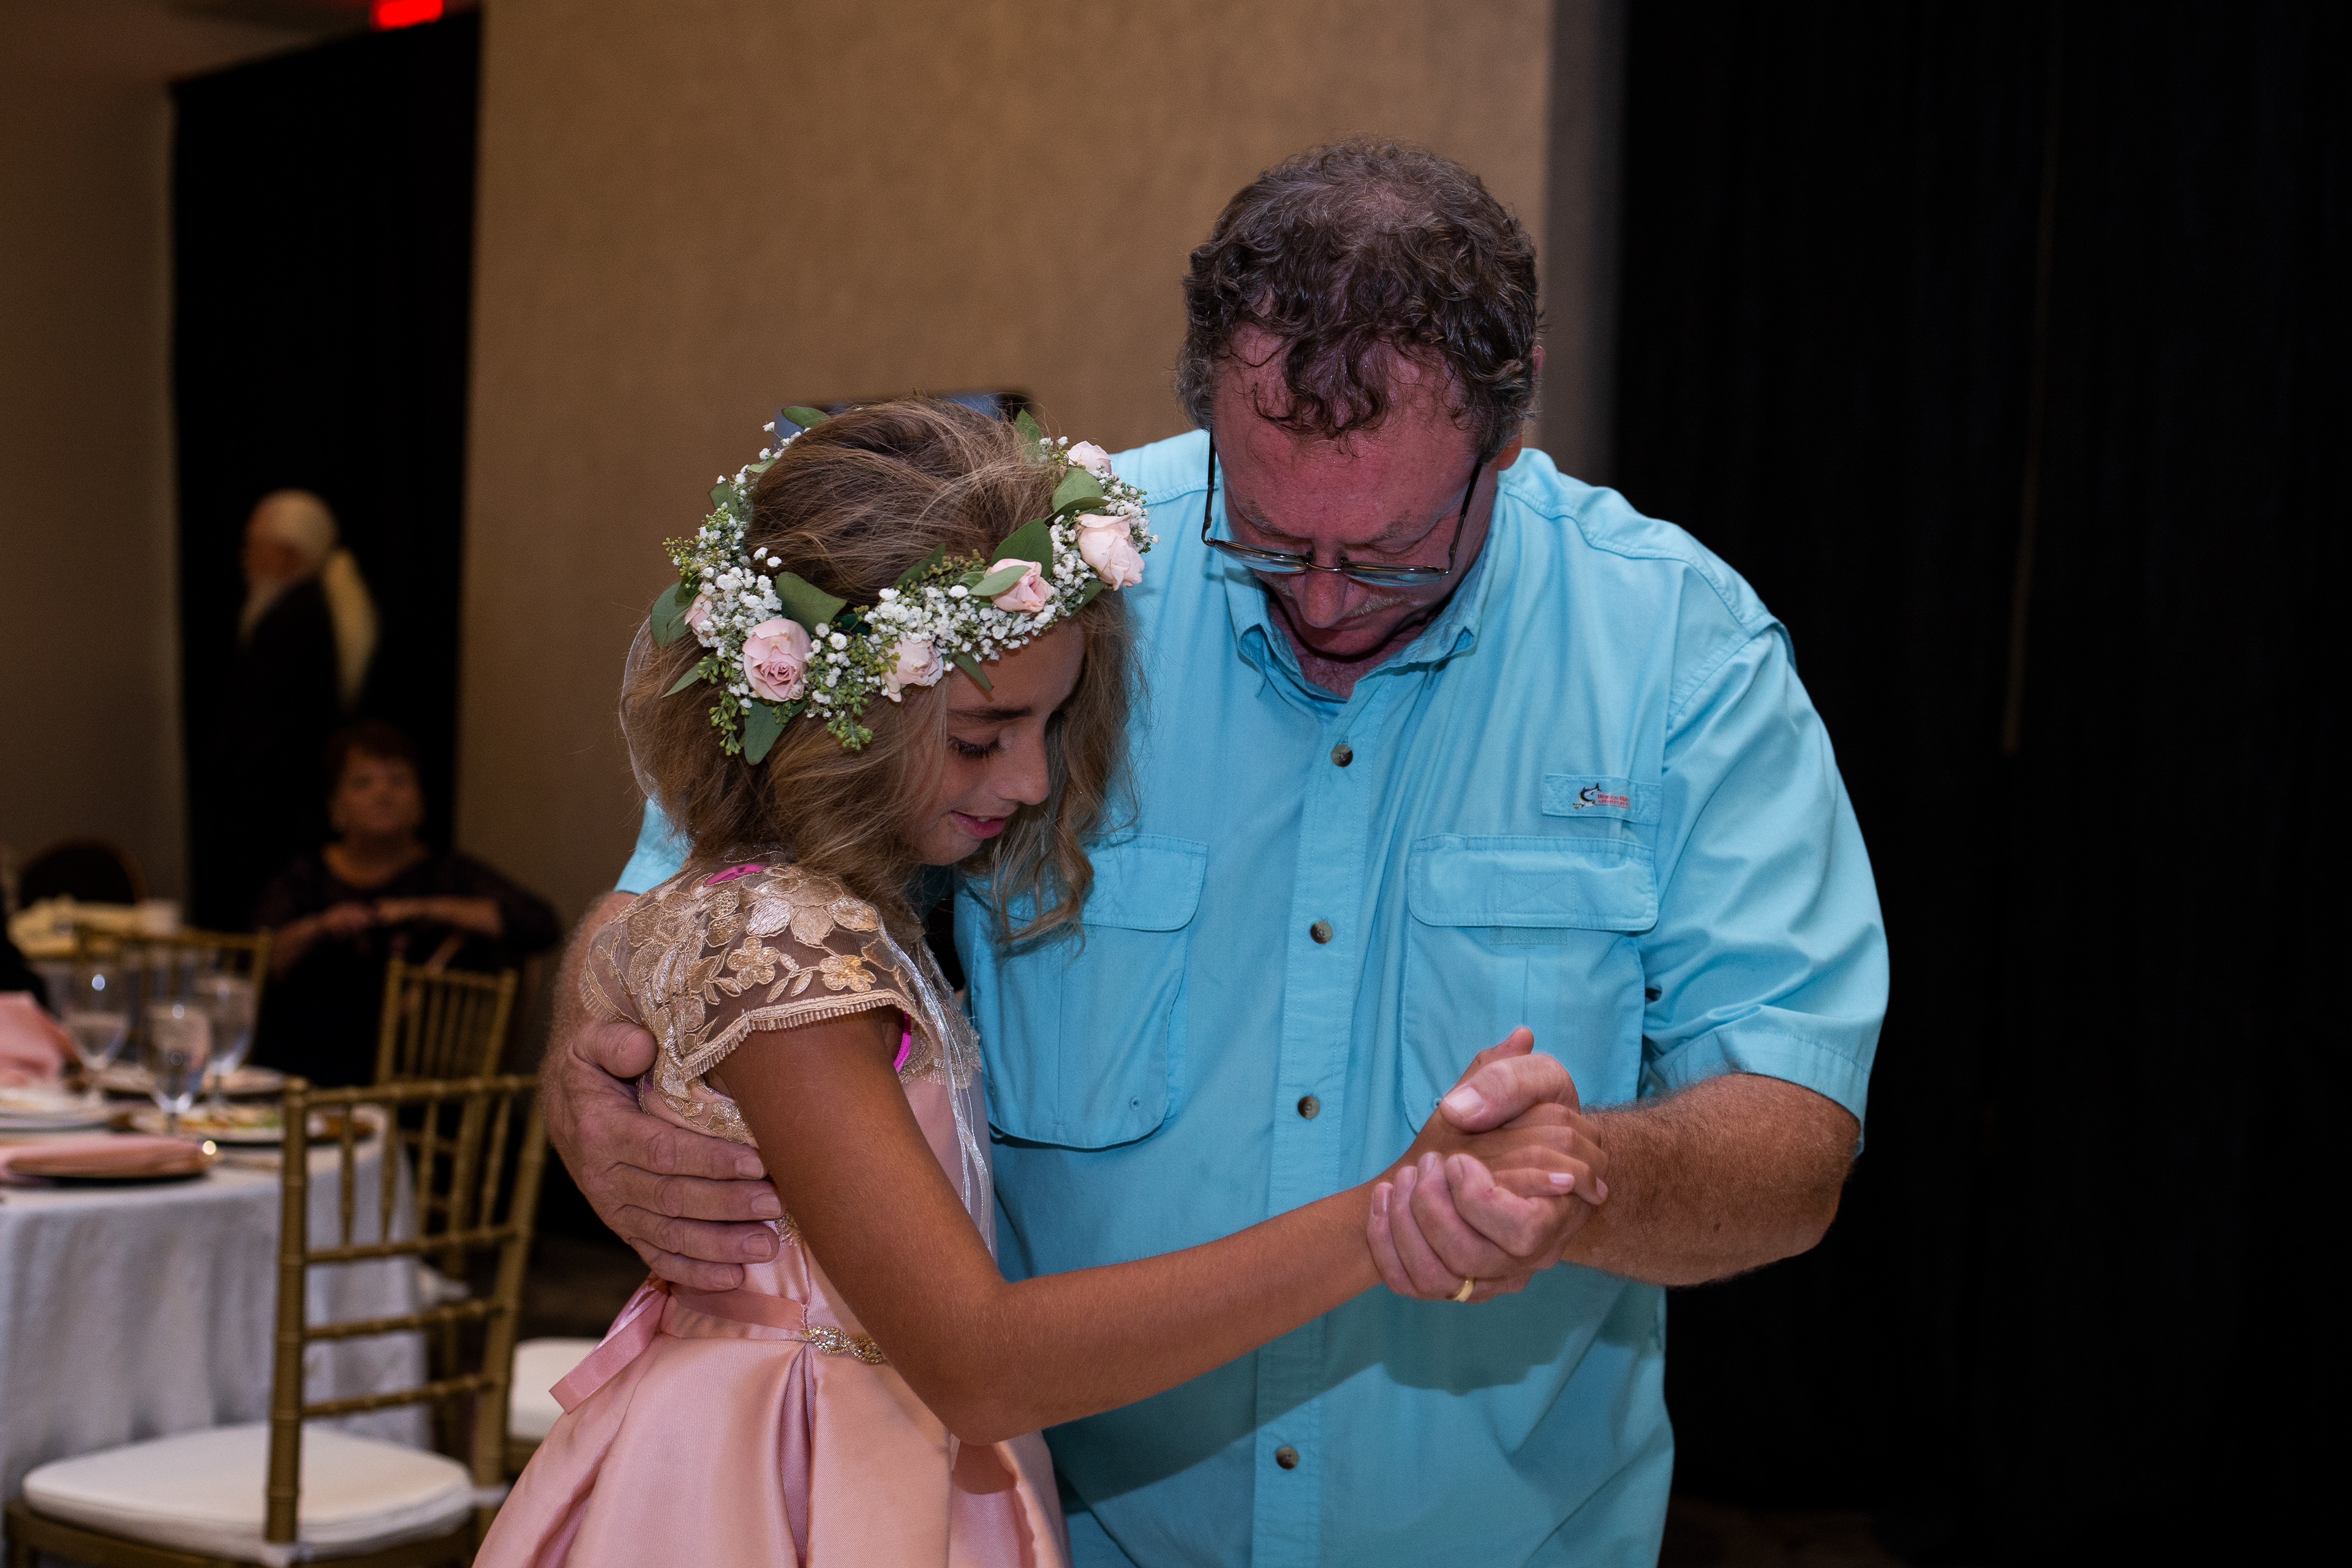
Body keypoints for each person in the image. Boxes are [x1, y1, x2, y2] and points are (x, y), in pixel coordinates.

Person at [553, 140, 1888, 1564]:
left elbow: (1793, 1137)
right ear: (1202, 400)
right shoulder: (1039, 582)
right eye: (1264, 537)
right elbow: (706, 879)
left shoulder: (1679, 651)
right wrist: (590, 1038)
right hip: (1073, 1534)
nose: (1324, 598)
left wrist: (1578, 1180)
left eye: (1390, 551)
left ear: (1509, 426)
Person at [475, 399, 1598, 1566]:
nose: (1028, 780)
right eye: (980, 736)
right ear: (833, 714)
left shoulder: (833, 915)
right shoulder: (783, 949)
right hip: (783, 1488)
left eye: (1051, 727)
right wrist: (1385, 1216)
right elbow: (976, 1361)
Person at [255, 721, 559, 1086]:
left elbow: (540, 924)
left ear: (420, 804)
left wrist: (425, 908)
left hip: (412, 1079)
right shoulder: (306, 877)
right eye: (363, 783)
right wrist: (322, 926)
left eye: (398, 781)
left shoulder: (447, 873)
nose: (383, 794)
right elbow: (258, 965)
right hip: (301, 1067)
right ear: (335, 807)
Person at [206, 490, 380, 929]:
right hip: (290, 816)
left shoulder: (289, 621)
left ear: (287, 554)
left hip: (272, 826)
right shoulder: (315, 612)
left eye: (254, 546)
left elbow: (264, 737)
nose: (245, 558)